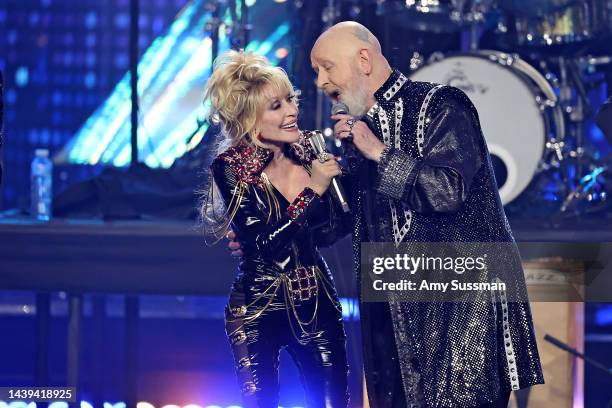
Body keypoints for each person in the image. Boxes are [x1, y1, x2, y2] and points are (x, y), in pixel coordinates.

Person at [308, 21, 545, 407]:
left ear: (363, 60)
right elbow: (336, 222)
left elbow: (447, 191)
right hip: (395, 320)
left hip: (463, 319)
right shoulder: (360, 135)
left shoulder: (441, 104)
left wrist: (379, 153)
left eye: (326, 67)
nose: (320, 81)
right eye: (316, 71)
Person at [202, 50, 350, 407]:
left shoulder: (309, 152)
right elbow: (265, 245)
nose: (291, 111)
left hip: (315, 297)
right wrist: (312, 190)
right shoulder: (231, 168)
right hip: (257, 305)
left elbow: (332, 231)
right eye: (276, 106)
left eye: (290, 100)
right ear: (252, 121)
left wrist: (346, 170)